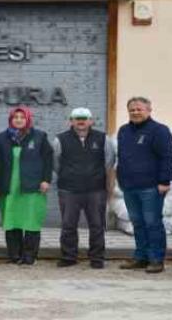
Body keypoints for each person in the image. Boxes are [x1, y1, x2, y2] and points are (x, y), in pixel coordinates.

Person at [117, 97, 172, 274]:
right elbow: (122, 157)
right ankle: (141, 257)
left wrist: (164, 181)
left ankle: (156, 259)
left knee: (152, 223)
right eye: (132, 110)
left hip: (151, 187)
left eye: (139, 109)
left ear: (149, 110)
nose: (135, 112)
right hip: (129, 186)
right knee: (138, 223)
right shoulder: (124, 131)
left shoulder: (159, 130)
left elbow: (168, 156)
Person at [53, 107, 115, 269]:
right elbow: (55, 164)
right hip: (68, 190)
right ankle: (68, 256)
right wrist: (69, 175)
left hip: (95, 190)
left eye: (84, 118)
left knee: (96, 225)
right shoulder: (60, 139)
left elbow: (108, 162)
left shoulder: (103, 138)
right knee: (68, 225)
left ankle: (96, 258)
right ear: (71, 121)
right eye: (77, 118)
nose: (81, 121)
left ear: (91, 121)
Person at [0, 106, 53, 265]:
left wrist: (46, 180)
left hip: (33, 186)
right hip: (9, 187)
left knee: (31, 221)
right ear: (11, 120)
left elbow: (48, 160)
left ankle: (29, 256)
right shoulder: (1, 138)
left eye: (22, 117)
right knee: (12, 220)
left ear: (28, 119)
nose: (19, 120)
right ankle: (14, 255)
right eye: (16, 117)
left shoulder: (39, 136)